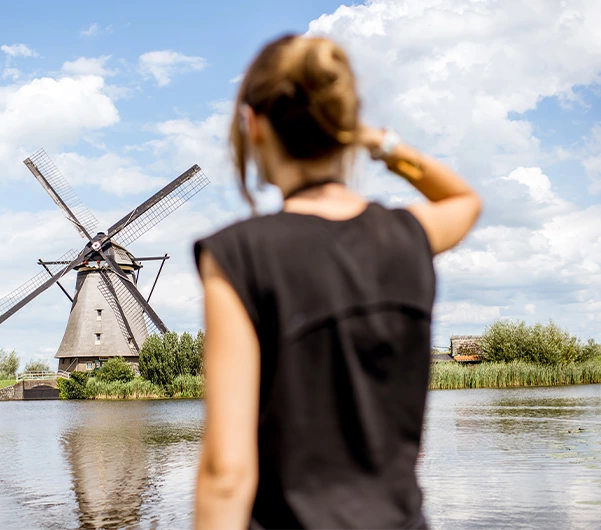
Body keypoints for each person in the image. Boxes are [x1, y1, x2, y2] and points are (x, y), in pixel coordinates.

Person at [193, 34, 482, 529]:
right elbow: (464, 201)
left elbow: (226, 470)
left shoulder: (240, 253)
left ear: (253, 125)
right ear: (342, 126)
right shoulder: (407, 234)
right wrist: (382, 144)